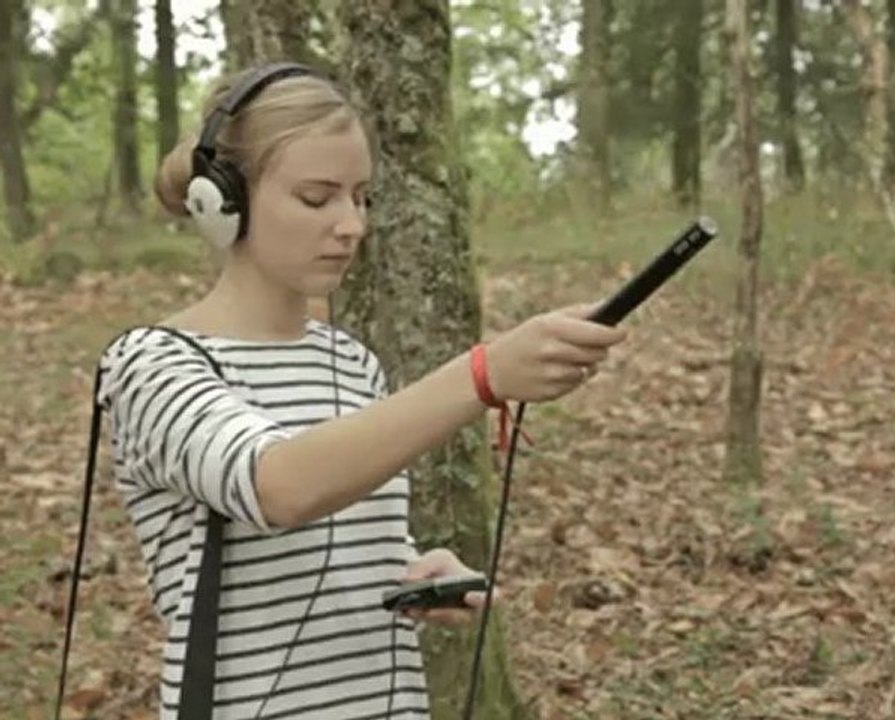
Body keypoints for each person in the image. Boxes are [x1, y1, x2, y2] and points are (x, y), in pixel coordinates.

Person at [97, 62, 627, 719]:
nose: (351, 225)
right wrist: (482, 376)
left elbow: (332, 534)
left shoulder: (352, 363)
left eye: (361, 197)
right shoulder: (152, 365)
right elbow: (278, 486)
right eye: (318, 198)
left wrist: (407, 571)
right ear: (222, 203)